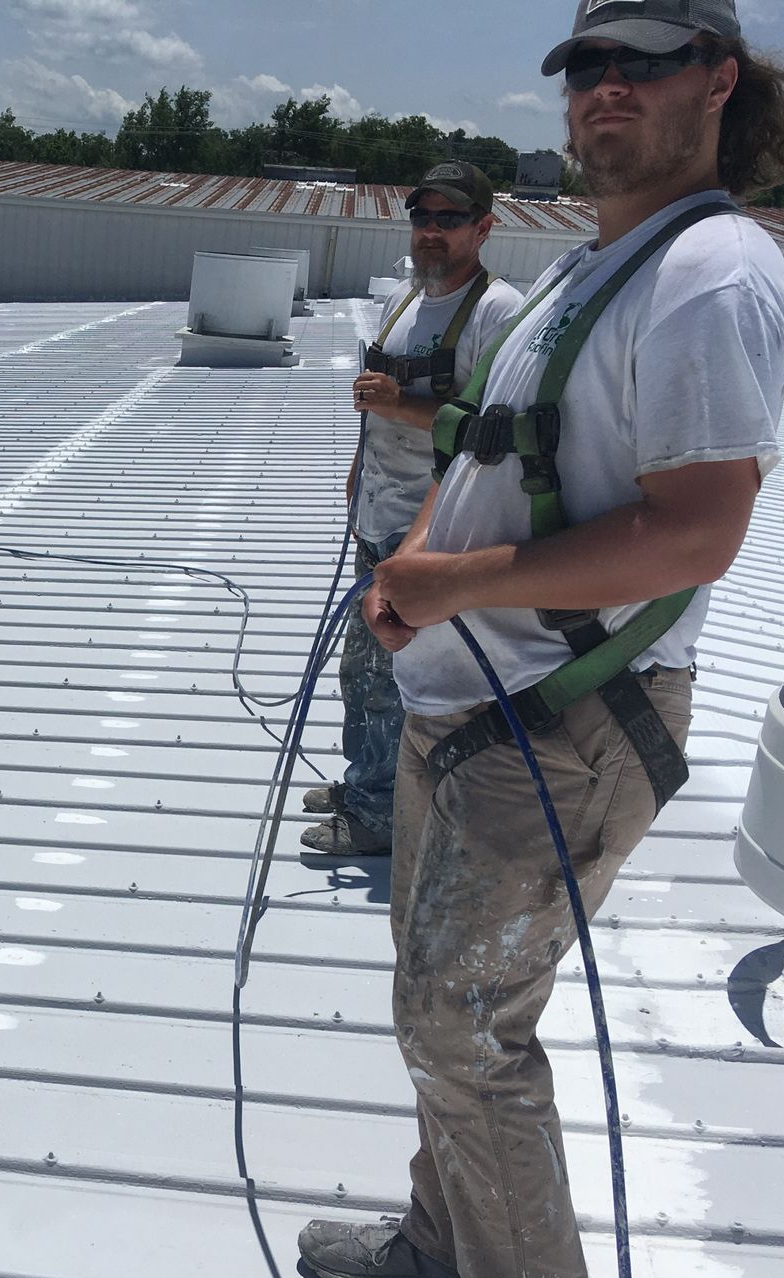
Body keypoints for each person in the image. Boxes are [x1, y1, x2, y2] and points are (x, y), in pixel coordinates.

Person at [297, 2, 784, 1278]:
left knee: (467, 1030)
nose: (605, 89)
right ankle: (446, 1244)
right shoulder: (600, 263)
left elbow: (695, 532)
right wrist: (422, 575)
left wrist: (454, 583)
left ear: (720, 81)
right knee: (436, 1010)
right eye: (586, 66)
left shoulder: (708, 273)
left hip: (562, 724)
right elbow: (503, 460)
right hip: (476, 707)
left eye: (643, 62)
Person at [302, 162, 522, 858]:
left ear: (483, 228)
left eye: (449, 219)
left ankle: (382, 814)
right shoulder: (403, 299)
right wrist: (359, 470)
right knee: (364, 672)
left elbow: (494, 435)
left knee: (400, 677)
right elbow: (381, 407)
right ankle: (369, 782)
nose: (431, 231)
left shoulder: (498, 313)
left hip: (429, 532)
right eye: (422, 217)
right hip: (378, 516)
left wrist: (402, 406)